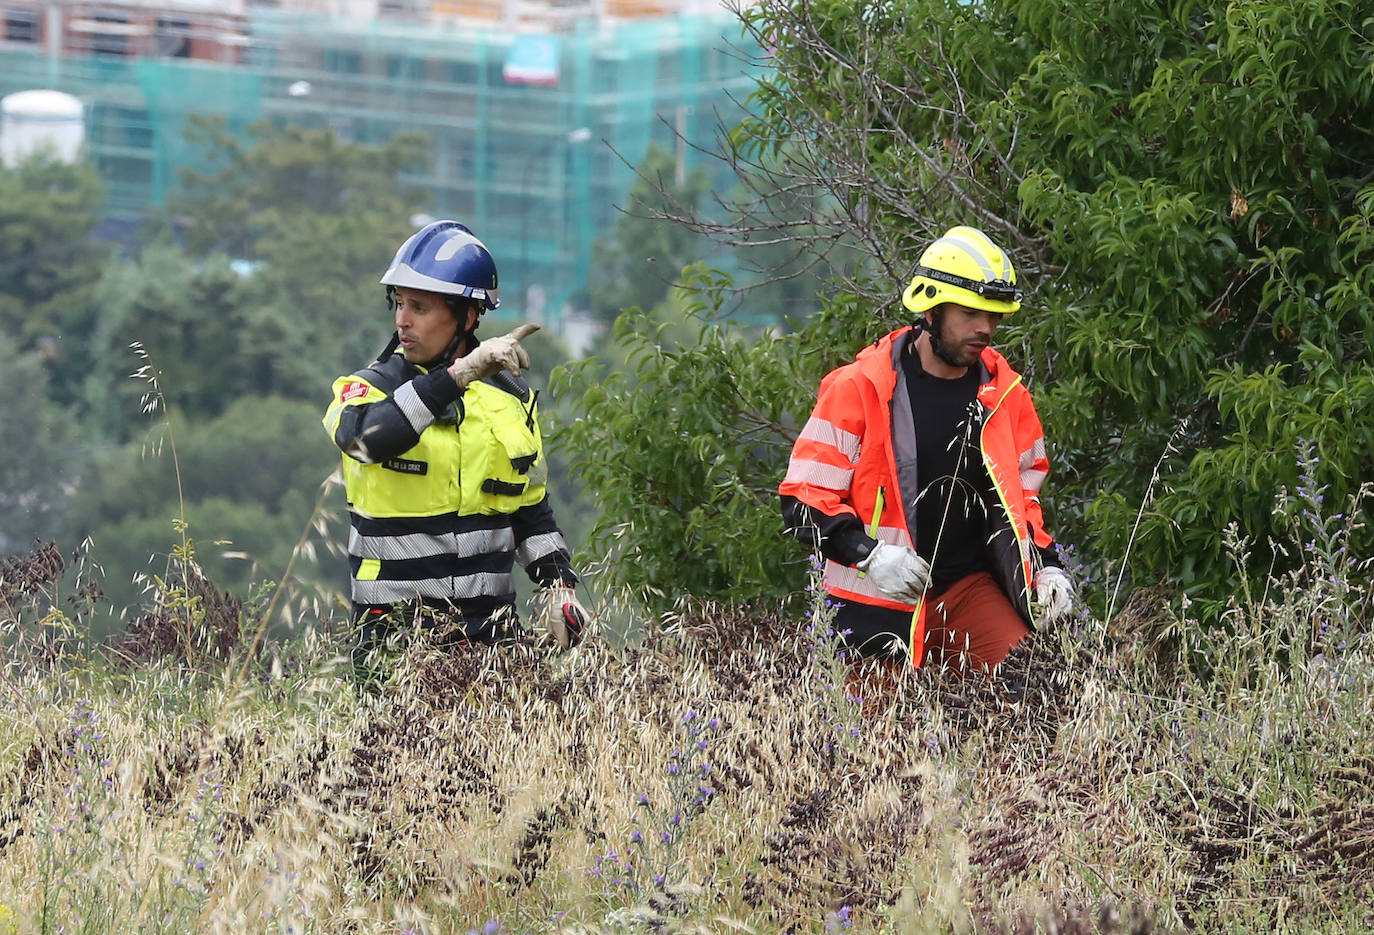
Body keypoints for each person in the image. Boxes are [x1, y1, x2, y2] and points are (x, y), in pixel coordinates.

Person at [779, 225, 1073, 675]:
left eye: (995, 317)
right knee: (877, 741)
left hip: (969, 590)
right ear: (931, 309)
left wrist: (1048, 566)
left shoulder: (1005, 395)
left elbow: (1022, 503)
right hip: (875, 603)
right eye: (972, 313)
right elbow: (801, 499)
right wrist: (870, 554)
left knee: (1031, 694)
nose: (986, 328)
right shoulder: (858, 388)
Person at [323, 219, 590, 674]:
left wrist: (559, 588)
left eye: (420, 308)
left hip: (492, 636)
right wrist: (459, 375)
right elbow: (366, 441)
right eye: (400, 304)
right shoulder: (367, 389)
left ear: (467, 317)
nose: (402, 320)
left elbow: (530, 510)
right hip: (396, 639)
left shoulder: (512, 398)